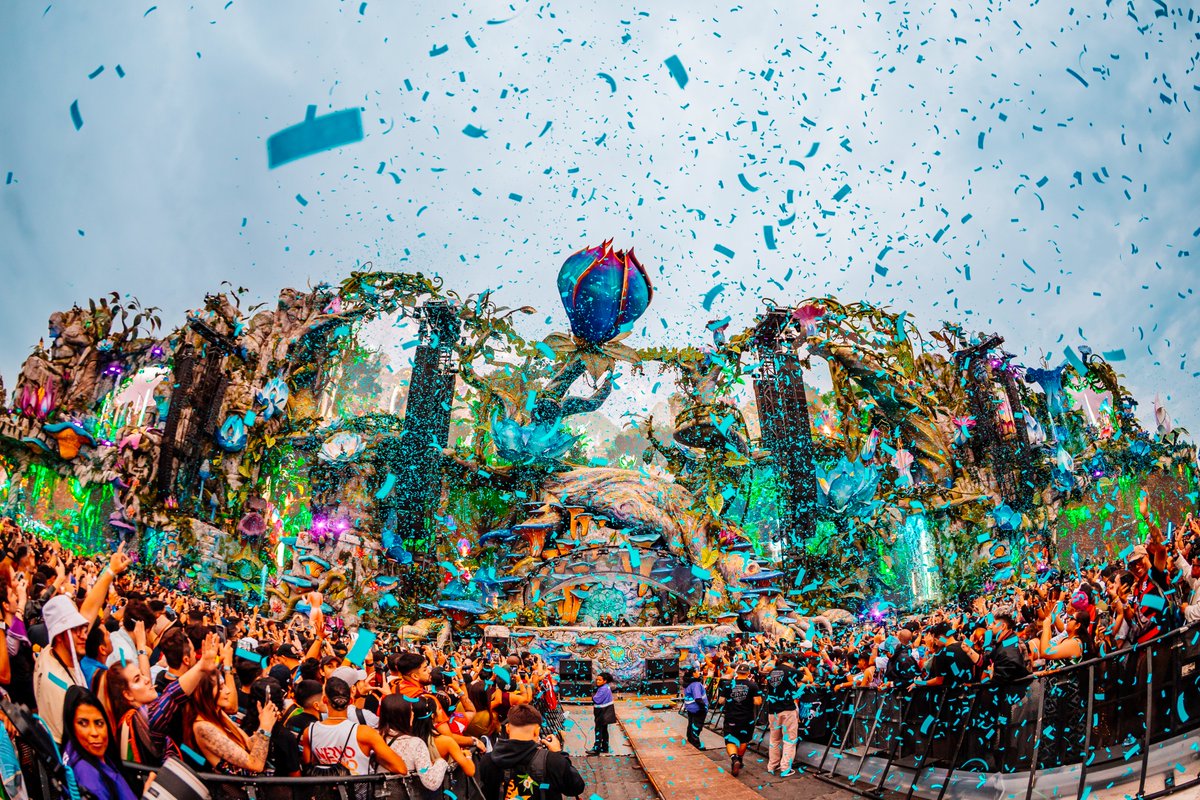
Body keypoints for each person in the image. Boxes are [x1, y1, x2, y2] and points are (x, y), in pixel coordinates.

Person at [34, 543, 130, 743]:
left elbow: (87, 611)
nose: (84, 634)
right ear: (61, 635)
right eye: (76, 630)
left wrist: (111, 571)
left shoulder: (49, 651)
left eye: (82, 628)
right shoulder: (67, 689)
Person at [300, 676, 408, 777]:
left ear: (324, 700)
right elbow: (401, 768)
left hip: (326, 793)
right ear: (351, 701)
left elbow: (309, 766)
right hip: (358, 792)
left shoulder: (310, 731)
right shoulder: (365, 733)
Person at [477, 704, 585, 800]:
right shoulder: (553, 761)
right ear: (536, 731)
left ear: (508, 728)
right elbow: (576, 788)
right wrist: (559, 754)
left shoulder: (488, 760)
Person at [62, 686, 138, 800]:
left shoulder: (74, 750)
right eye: (83, 723)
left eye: (99, 723)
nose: (94, 733)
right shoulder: (89, 778)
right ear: (71, 727)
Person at [378, 693, 454, 791]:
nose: (413, 714)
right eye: (411, 710)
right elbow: (431, 782)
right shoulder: (415, 744)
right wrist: (441, 762)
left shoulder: (375, 737)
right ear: (404, 715)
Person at [719, 662, 761, 776]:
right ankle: (740, 758)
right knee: (743, 740)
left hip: (731, 716)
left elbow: (720, 701)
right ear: (748, 673)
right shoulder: (753, 685)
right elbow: (758, 701)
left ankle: (734, 759)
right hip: (746, 717)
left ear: (737, 672)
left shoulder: (728, 684)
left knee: (730, 740)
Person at [762, 651, 800, 776]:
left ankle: (772, 766)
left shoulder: (772, 672)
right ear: (789, 661)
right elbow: (808, 678)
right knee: (789, 740)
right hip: (788, 709)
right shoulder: (791, 671)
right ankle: (785, 768)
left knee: (774, 739)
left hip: (773, 710)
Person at [586, 672, 615, 756]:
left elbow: (596, 699)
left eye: (599, 680)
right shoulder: (606, 687)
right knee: (604, 730)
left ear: (605, 681)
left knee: (598, 730)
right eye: (597, 680)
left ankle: (596, 749)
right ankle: (605, 747)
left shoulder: (603, 689)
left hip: (602, 711)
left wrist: (593, 695)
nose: (597, 681)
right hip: (606, 710)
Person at [681, 667, 708, 750]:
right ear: (693, 673)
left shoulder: (688, 683)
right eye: (697, 671)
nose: (699, 672)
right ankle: (696, 744)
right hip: (698, 708)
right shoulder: (696, 684)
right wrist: (703, 707)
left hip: (690, 707)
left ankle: (690, 740)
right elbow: (698, 698)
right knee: (697, 726)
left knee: (691, 724)